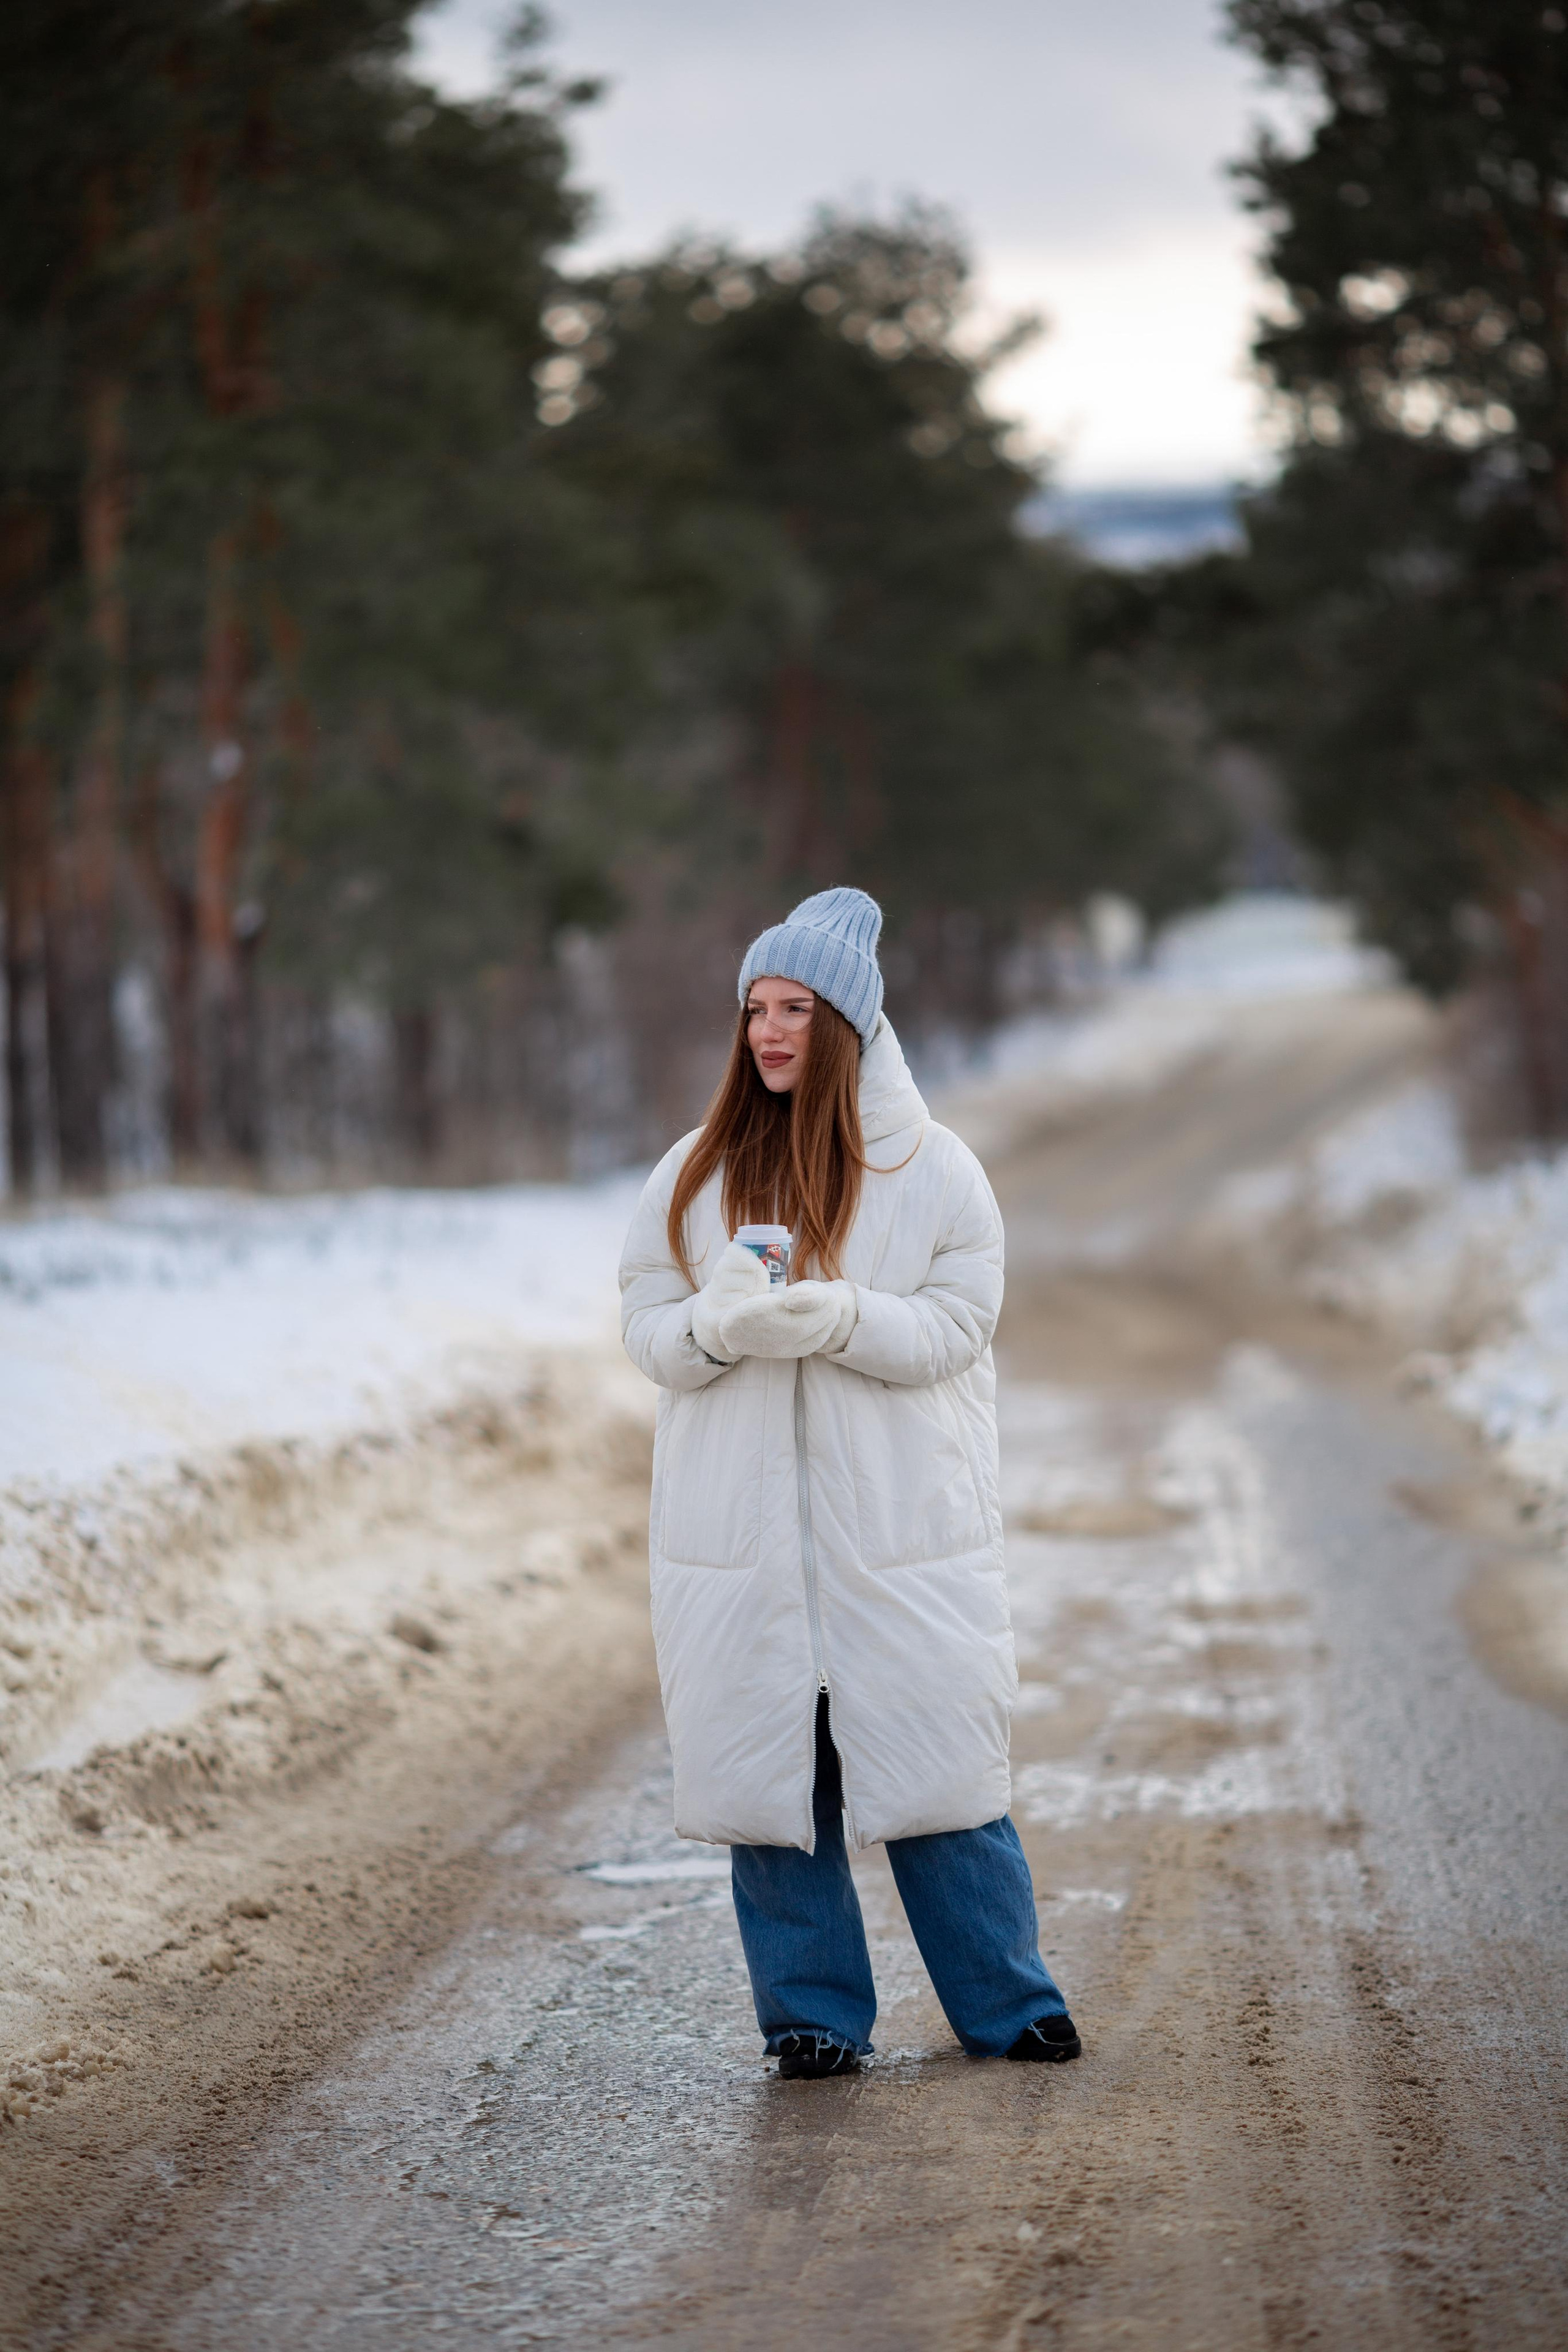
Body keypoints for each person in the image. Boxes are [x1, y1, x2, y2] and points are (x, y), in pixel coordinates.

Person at [618, 888, 1080, 2079]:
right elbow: (649, 1332)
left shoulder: (935, 1175)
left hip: (899, 1535)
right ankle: (811, 2016)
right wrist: (715, 1327)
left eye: (796, 1010)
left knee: (941, 1777)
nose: (769, 1033)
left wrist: (841, 1319)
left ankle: (1007, 2004)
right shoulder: (694, 1175)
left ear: (852, 1028)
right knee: (774, 1794)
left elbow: (956, 1326)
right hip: (741, 1545)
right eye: (754, 1010)